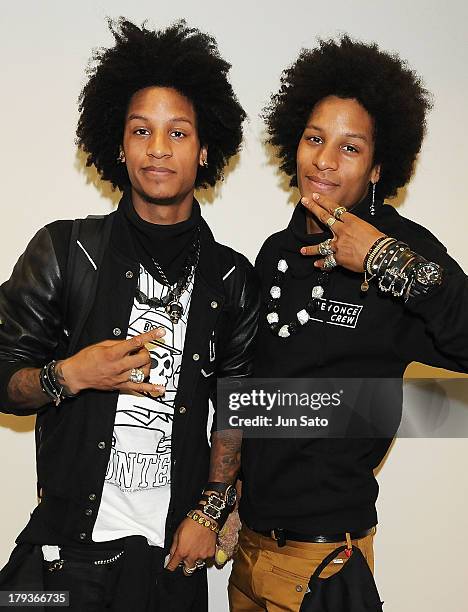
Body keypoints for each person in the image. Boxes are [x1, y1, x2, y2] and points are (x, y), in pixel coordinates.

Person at [0, 18, 259, 612]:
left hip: (169, 564)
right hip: (61, 560)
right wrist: (69, 375)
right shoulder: (65, 251)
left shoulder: (230, 279)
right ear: (118, 144)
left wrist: (211, 509)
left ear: (205, 149)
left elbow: (236, 405)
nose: (159, 148)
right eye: (142, 130)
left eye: (178, 132)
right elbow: (4, 374)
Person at [228, 35, 468, 611]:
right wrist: (229, 495)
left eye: (350, 147)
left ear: (379, 168)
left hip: (325, 564)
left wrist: (385, 259)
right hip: (250, 552)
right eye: (315, 139)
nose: (326, 159)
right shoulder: (273, 253)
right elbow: (256, 389)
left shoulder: (401, 251)